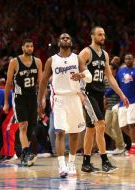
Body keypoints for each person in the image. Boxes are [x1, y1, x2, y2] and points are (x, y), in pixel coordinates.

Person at [38, 33, 91, 178]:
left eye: (68, 38)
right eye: (63, 38)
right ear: (58, 42)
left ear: (71, 42)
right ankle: (61, 164)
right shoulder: (51, 60)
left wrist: (81, 75)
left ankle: (71, 163)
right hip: (59, 98)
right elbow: (43, 81)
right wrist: (40, 99)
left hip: (74, 97)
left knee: (74, 133)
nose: (66, 39)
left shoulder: (77, 58)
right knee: (60, 131)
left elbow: (89, 76)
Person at [78, 26, 129, 173]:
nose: (103, 37)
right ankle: (105, 161)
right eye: (100, 35)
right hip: (88, 93)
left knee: (91, 129)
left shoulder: (105, 55)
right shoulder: (86, 52)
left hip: (99, 93)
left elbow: (110, 77)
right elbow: (75, 73)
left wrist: (121, 94)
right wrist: (79, 94)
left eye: (104, 35)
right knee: (101, 124)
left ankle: (86, 163)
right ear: (92, 36)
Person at [3, 38, 43, 167]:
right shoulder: (14, 62)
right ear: (22, 48)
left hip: (32, 98)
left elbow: (40, 83)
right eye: (27, 46)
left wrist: (42, 99)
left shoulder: (37, 62)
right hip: (19, 98)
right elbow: (8, 83)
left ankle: (26, 152)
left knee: (31, 128)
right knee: (23, 125)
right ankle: (25, 153)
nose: (30, 48)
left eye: (31, 46)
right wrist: (6, 103)